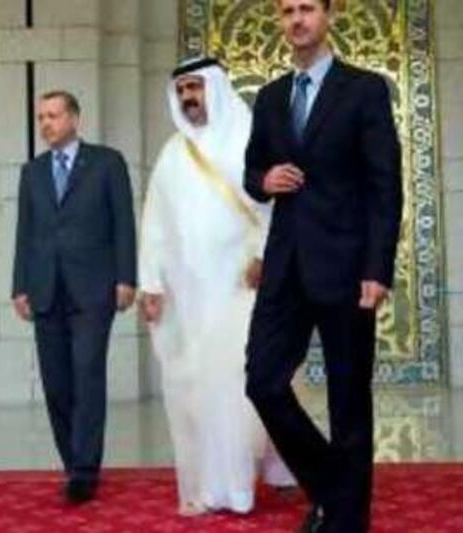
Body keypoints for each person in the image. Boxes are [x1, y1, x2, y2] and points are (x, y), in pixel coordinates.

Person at [243, 0, 403, 530]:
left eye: (306, 7)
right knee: (262, 381)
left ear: (328, 16)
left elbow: (385, 185)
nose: (296, 19)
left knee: (348, 401)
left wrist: (378, 269)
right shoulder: (269, 98)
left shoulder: (365, 89)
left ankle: (346, 518)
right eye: (287, 10)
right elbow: (251, 171)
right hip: (286, 266)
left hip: (348, 268)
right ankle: (336, 486)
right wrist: (264, 181)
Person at [138, 57, 295, 516]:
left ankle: (241, 484)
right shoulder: (173, 154)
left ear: (217, 89)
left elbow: (276, 205)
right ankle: (222, 478)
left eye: (196, 87)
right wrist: (150, 283)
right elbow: (155, 224)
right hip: (191, 296)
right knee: (199, 390)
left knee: (242, 382)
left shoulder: (251, 138)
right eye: (182, 89)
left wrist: (265, 256)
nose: (189, 97)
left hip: (242, 286)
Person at [11, 90, 137, 504]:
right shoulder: (32, 172)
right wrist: (19, 286)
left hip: (93, 290)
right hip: (45, 289)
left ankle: (85, 471)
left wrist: (126, 278)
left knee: (86, 377)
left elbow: (123, 224)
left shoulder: (107, 163)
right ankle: (72, 463)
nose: (46, 124)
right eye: (41, 117)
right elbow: (25, 234)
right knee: (57, 385)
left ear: (74, 119)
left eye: (53, 115)